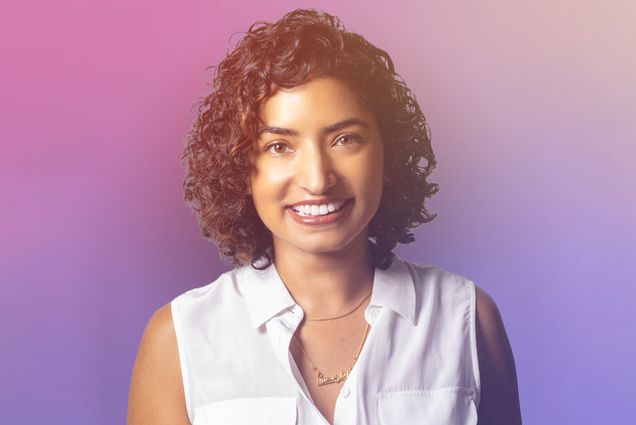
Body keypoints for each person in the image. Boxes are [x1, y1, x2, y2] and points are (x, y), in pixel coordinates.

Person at [127, 8, 522, 425]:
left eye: (344, 139)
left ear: (387, 154)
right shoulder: (182, 338)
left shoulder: (465, 318)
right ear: (241, 166)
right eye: (280, 146)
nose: (317, 179)